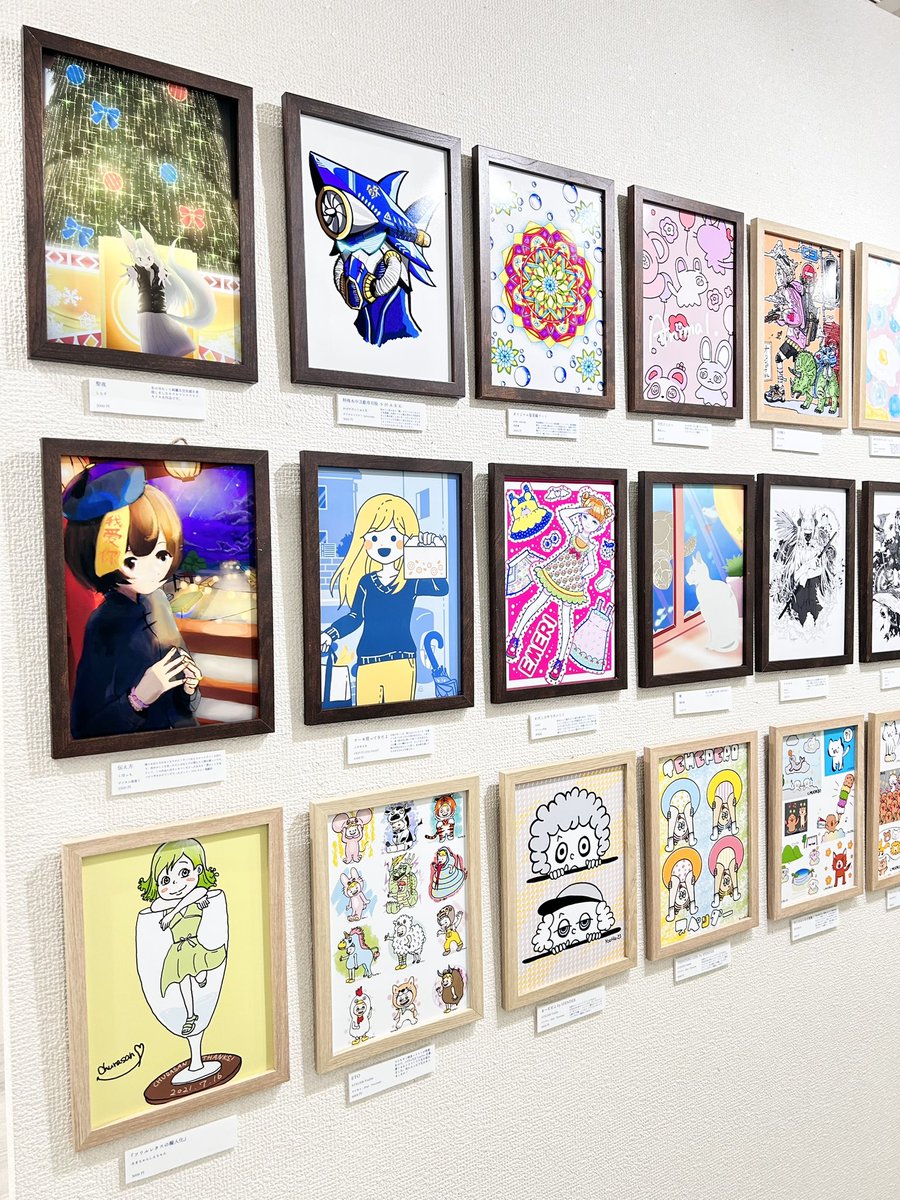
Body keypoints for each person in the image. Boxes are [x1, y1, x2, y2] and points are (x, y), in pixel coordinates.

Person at [62, 462, 202, 738]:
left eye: (162, 555)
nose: (156, 570)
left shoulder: (158, 600)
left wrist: (189, 688)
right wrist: (138, 699)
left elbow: (179, 705)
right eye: (131, 561)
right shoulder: (103, 624)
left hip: (184, 740)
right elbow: (84, 729)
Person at [322, 493, 447, 706]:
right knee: (366, 716)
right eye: (374, 538)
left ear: (408, 540)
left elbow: (440, 588)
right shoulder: (366, 582)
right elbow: (355, 617)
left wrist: (433, 552)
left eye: (393, 538)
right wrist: (330, 634)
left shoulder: (410, 579)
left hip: (402, 660)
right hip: (367, 661)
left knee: (400, 716)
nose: (383, 545)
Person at [137, 838, 226, 1037]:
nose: (175, 883)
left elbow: (200, 891)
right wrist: (176, 906)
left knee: (199, 973)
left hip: (194, 945)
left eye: (184, 873)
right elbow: (156, 905)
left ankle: (201, 977)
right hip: (177, 949)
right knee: (183, 980)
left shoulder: (198, 894)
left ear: (198, 871)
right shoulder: (166, 903)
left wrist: (172, 914)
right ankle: (191, 1015)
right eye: (165, 880)